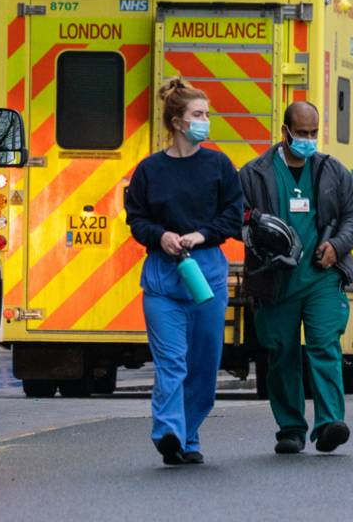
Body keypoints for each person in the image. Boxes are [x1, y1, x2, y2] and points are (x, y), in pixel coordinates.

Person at [125, 79, 243, 465]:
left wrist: (201, 234)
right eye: (198, 114)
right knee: (171, 362)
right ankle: (168, 433)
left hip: (206, 273)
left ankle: (188, 436)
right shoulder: (149, 170)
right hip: (163, 279)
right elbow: (137, 220)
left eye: (206, 114)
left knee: (204, 367)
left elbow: (233, 215)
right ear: (177, 122)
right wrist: (161, 237)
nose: (205, 121)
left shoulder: (219, 166)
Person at [239, 101, 353, 454]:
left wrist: (337, 246)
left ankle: (329, 424)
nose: (308, 140)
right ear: (285, 133)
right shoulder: (254, 173)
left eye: (313, 133)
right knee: (281, 352)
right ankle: (290, 428)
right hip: (276, 279)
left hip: (321, 276)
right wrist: (262, 234)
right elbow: (237, 219)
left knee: (325, 344)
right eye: (302, 133)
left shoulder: (331, 171)